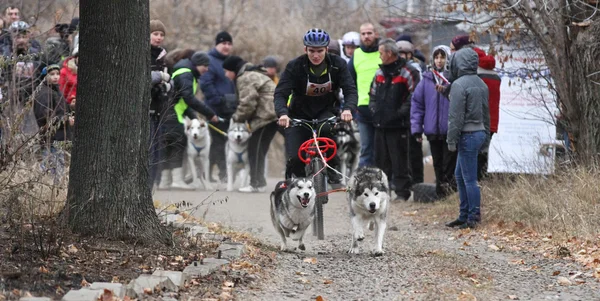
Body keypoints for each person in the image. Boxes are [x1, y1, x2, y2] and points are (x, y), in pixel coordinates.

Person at [274, 28, 357, 186]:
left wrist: (348, 109)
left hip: (326, 110)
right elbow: (280, 93)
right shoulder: (294, 66)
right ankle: (295, 184)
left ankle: (333, 168)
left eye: (320, 51)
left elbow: (350, 90)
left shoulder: (338, 65)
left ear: (326, 49)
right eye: (312, 51)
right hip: (298, 114)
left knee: (326, 131)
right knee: (296, 157)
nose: (316, 55)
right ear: (305, 49)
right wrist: (282, 114)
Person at [158, 52, 219, 190]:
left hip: (170, 112)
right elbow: (188, 98)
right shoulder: (187, 74)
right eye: (205, 66)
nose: (207, 69)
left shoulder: (184, 72)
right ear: (197, 64)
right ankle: (177, 180)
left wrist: (194, 118)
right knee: (177, 143)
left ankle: (165, 181)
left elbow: (182, 102)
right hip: (172, 114)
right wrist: (209, 114)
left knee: (168, 146)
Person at [444, 48, 490, 229]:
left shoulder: (459, 85)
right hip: (478, 134)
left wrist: (451, 140)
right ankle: (464, 215)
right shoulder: (481, 83)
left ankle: (472, 217)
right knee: (460, 175)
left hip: (467, 135)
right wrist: (486, 138)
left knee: (469, 178)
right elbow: (487, 114)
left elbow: (455, 117)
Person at [368, 38, 420, 201]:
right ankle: (382, 193)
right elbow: (372, 95)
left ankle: (402, 192)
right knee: (380, 161)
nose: (380, 56)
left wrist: (399, 114)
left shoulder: (408, 71)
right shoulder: (379, 73)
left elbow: (414, 96)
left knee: (400, 160)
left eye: (381, 53)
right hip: (380, 124)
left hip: (399, 125)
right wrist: (375, 111)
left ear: (389, 53)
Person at [223, 55, 278, 192]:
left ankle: (256, 184)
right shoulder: (251, 74)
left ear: (233, 70)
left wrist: (237, 118)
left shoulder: (245, 77)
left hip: (266, 116)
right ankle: (259, 183)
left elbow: (248, 102)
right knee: (258, 150)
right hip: (272, 115)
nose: (225, 74)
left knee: (255, 150)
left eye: (227, 71)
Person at [411, 45, 457, 198]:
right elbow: (417, 104)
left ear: (448, 58)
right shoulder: (427, 79)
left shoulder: (452, 79)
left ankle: (449, 194)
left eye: (442, 57)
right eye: (436, 57)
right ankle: (440, 194)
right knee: (437, 163)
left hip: (449, 130)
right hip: (432, 130)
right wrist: (417, 128)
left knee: (448, 164)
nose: (439, 61)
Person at [200, 31, 237, 183]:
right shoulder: (209, 60)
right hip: (214, 109)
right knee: (217, 142)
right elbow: (206, 84)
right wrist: (218, 100)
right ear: (217, 44)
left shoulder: (231, 61)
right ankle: (215, 174)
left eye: (229, 44)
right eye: (223, 43)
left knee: (225, 142)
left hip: (230, 109)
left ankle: (218, 173)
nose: (226, 46)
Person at [348, 23, 381, 167]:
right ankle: (363, 184)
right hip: (362, 109)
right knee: (366, 149)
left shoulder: (383, 52)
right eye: (363, 34)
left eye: (369, 33)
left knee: (382, 150)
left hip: (383, 109)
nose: (366, 36)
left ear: (376, 34)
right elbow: (349, 84)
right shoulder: (356, 55)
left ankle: (384, 183)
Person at [34, 64, 73, 185]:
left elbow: (61, 110)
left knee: (57, 165)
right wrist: (66, 120)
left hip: (58, 136)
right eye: (52, 74)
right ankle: (45, 187)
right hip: (51, 137)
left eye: (57, 74)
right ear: (45, 76)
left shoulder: (55, 90)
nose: (56, 77)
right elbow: (45, 117)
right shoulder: (45, 94)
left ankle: (53, 187)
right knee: (51, 167)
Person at [148, 19, 170, 190]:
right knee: (148, 151)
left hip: (158, 108)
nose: (159, 37)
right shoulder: (143, 53)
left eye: (162, 34)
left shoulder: (162, 56)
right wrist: (160, 77)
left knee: (157, 152)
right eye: (155, 34)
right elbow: (142, 78)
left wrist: (167, 85)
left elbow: (169, 78)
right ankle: (146, 186)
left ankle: (153, 185)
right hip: (145, 110)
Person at [473, 47, 501, 181]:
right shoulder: (494, 75)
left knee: (474, 156)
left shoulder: (476, 75)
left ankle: (474, 185)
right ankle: (482, 185)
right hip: (492, 121)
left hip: (478, 121)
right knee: (483, 154)